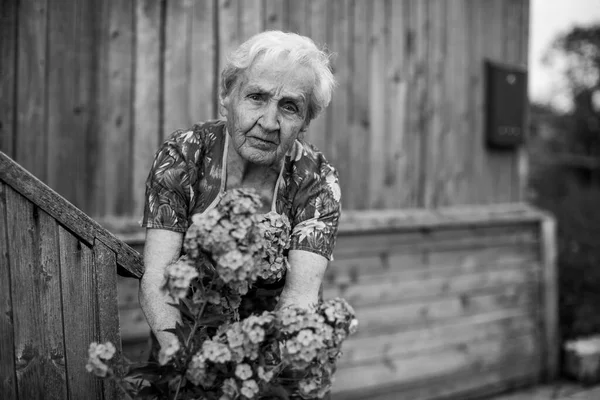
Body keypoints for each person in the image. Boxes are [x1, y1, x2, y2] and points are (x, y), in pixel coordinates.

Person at [139, 30, 341, 356]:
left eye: (290, 107)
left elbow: (299, 298)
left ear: (305, 121)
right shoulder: (184, 155)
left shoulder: (316, 180)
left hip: (269, 359)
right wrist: (190, 362)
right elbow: (157, 279)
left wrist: (260, 375)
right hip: (180, 344)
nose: (269, 122)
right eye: (256, 97)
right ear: (226, 97)